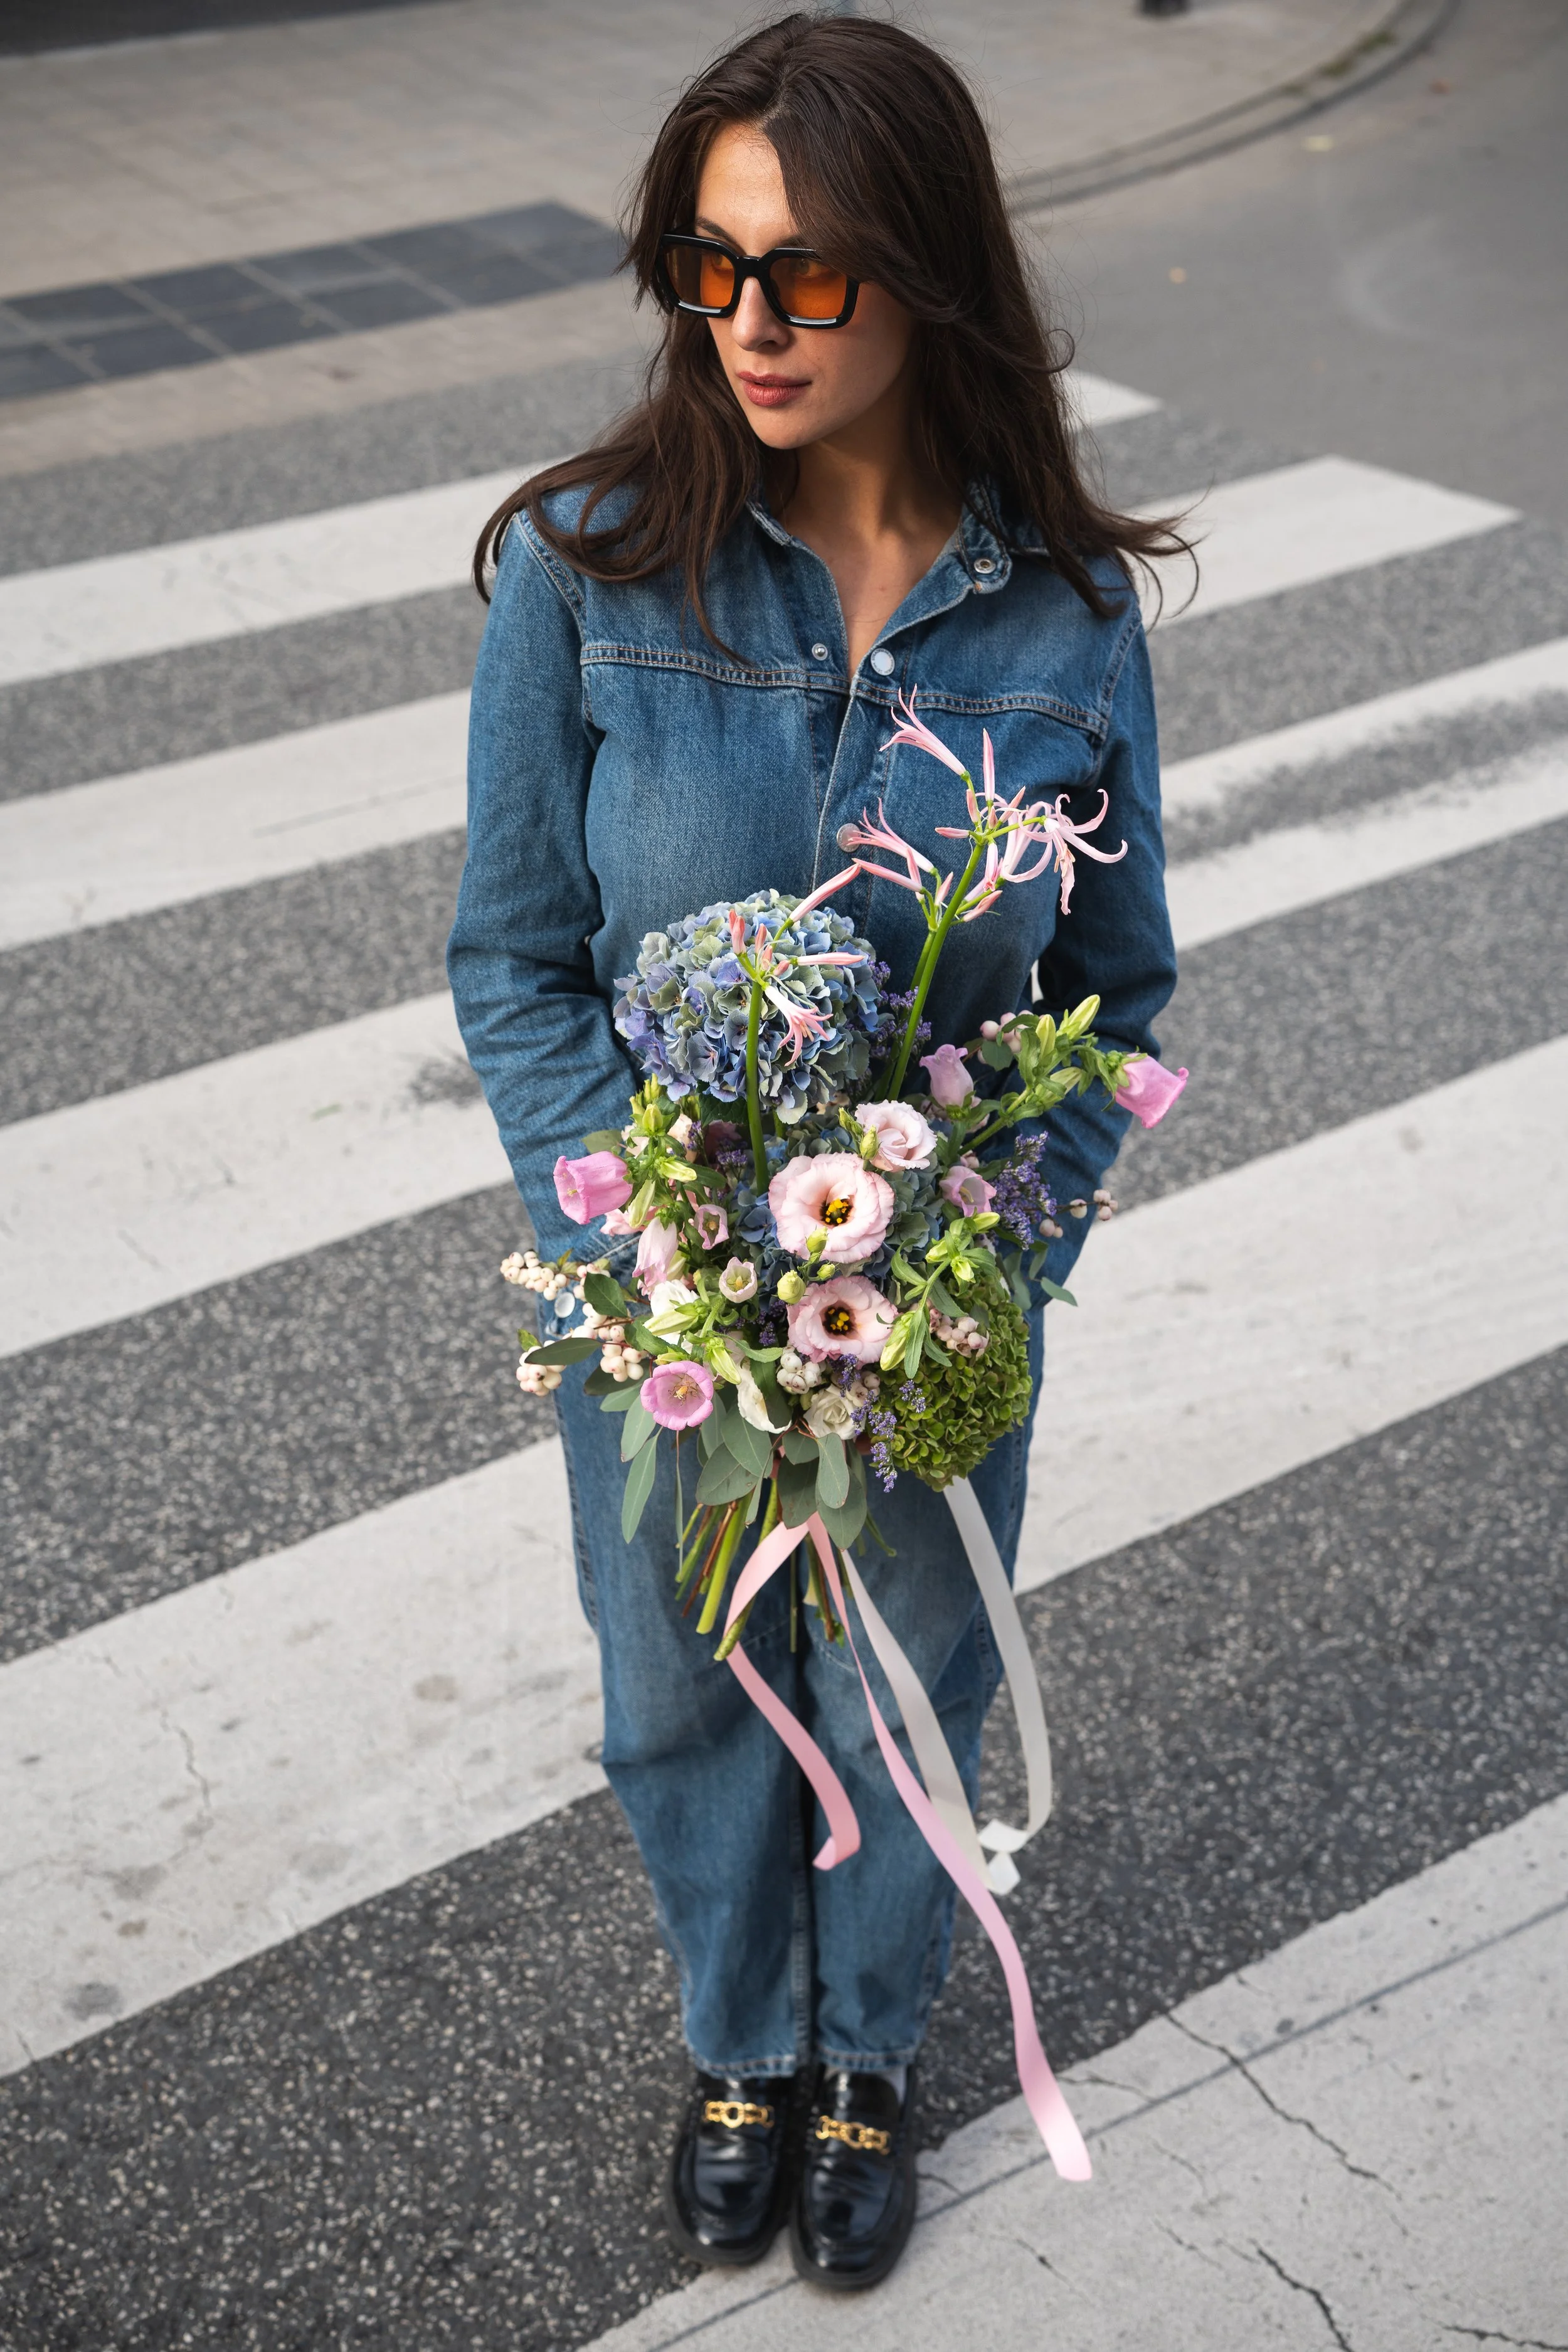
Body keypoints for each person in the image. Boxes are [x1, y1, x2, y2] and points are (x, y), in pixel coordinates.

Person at [448, 11, 1180, 2295]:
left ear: (928, 277)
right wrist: (653, 1239)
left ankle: (867, 2045)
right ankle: (739, 2039)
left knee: (910, 1680)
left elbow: (1117, 999)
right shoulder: (589, 571)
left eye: (815, 274)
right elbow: (516, 962)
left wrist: (1001, 1253)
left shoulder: (1060, 622)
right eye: (708, 263)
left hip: (931, 1303)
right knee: (674, 1684)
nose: (749, 323)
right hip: (664, 1306)